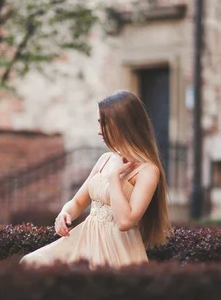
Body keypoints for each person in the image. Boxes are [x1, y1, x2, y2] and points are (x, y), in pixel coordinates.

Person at [20, 90, 169, 269]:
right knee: (33, 262)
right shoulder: (105, 160)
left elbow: (125, 221)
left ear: (123, 125)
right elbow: (77, 201)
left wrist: (114, 177)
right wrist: (64, 214)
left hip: (117, 250)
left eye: (104, 124)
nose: (99, 131)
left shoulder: (148, 171)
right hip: (85, 239)